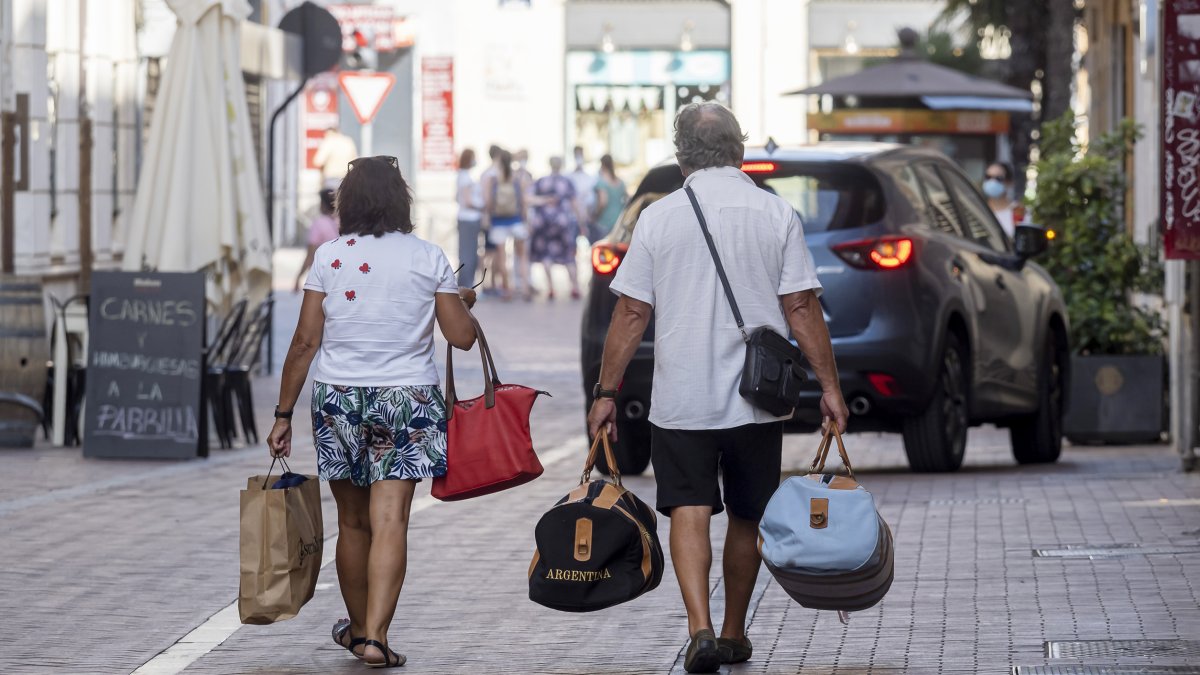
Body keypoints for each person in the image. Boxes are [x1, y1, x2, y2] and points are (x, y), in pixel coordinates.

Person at [585, 102, 849, 674]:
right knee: (747, 515)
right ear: (739, 149)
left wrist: (606, 391)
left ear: (681, 156)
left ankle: (699, 628)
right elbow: (800, 307)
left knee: (689, 508)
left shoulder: (658, 219)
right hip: (757, 403)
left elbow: (631, 313)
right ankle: (733, 632)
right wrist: (829, 386)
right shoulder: (774, 213)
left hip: (681, 400)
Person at [267, 155, 478, 669]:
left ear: (349, 202)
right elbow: (462, 338)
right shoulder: (428, 256)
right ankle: (377, 639)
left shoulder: (329, 256)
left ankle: (359, 628)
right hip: (406, 399)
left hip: (340, 399)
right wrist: (459, 299)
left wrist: (282, 413)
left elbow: (304, 342)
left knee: (353, 523)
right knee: (391, 521)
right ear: (400, 199)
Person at [527, 156, 583, 300]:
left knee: (546, 255)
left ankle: (551, 288)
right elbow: (575, 203)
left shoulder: (541, 181)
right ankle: (575, 287)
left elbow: (527, 198)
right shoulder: (567, 182)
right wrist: (582, 222)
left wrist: (544, 200)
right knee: (569, 255)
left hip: (543, 222)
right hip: (563, 222)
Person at [482, 149, 530, 301]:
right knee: (521, 256)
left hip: (498, 221)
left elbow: (489, 202)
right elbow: (523, 202)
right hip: (516, 220)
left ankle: (507, 289)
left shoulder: (493, 178)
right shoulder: (518, 178)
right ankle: (525, 289)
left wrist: (489, 216)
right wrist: (525, 219)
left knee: (502, 257)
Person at [293, 189, 341, 292]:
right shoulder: (343, 222)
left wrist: (298, 277)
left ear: (323, 204)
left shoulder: (318, 223)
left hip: (322, 277)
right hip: (340, 275)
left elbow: (310, 255)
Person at [456, 149, 485, 287]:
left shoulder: (463, 176)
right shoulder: (465, 177)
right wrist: (482, 205)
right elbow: (468, 201)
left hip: (467, 219)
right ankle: (466, 285)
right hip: (469, 219)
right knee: (468, 254)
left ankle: (467, 284)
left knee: (469, 253)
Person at [591, 154, 627, 242]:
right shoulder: (620, 182)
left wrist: (595, 215)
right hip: (618, 221)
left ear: (602, 165)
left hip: (604, 221)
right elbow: (626, 199)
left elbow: (603, 201)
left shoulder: (602, 182)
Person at [568, 146, 596, 241]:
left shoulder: (590, 178)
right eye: (577, 155)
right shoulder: (569, 177)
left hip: (586, 218)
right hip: (572, 218)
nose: (578, 158)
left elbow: (591, 199)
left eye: (580, 155)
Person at [983, 162, 1018, 239]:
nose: (992, 182)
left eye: (998, 178)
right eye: (988, 177)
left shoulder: (1019, 211)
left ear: (1009, 182)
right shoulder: (978, 209)